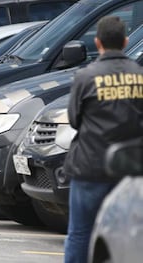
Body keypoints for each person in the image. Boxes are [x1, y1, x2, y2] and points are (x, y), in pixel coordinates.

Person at [63, 15, 143, 262]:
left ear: (97, 43)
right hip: (130, 171)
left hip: (90, 168)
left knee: (80, 233)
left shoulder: (85, 77)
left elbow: (74, 120)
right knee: (129, 236)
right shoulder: (139, 75)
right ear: (126, 41)